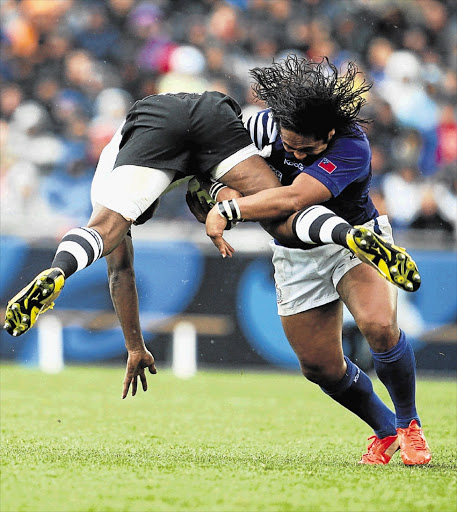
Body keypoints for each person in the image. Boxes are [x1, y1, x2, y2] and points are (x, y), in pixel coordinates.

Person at [188, 55, 430, 466]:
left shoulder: (353, 145)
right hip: (296, 254)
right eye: (290, 145)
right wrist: (223, 193)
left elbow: (296, 197)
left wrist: (229, 211)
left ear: (330, 132)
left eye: (307, 149)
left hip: (352, 241)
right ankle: (386, 429)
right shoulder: (261, 126)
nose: (296, 154)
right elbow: (224, 172)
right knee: (319, 367)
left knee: (379, 326)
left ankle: (410, 426)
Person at [3, 90, 283, 397]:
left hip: (156, 118)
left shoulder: (109, 184)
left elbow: (121, 272)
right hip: (212, 110)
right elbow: (122, 273)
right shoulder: (182, 177)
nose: (138, 218)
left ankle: (59, 270)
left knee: (103, 232)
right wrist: (225, 210)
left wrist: (134, 346)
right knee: (283, 202)